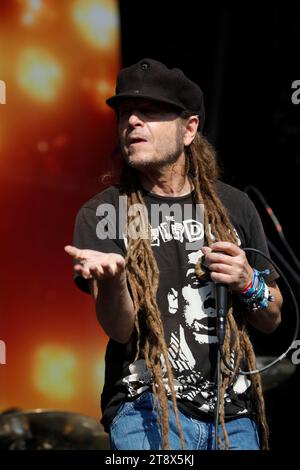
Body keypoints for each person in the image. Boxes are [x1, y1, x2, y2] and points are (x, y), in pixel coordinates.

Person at [64, 58, 283, 450]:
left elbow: (272, 319)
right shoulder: (104, 212)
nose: (131, 122)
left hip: (233, 416)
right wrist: (114, 281)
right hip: (144, 410)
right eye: (125, 114)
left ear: (189, 128)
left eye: (148, 112)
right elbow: (120, 330)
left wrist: (249, 283)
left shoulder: (235, 206)